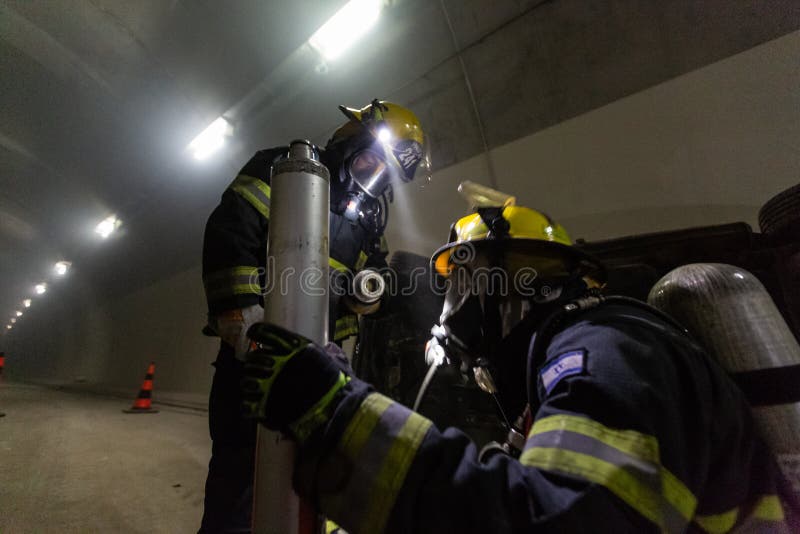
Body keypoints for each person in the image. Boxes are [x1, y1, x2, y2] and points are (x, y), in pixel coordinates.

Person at [240, 203, 799, 533]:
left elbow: (544, 520)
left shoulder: (605, 357)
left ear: (502, 284)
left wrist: (337, 416)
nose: (448, 312)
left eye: (457, 285)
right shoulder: (584, 357)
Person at [199, 99, 430, 532]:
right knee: (239, 489)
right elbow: (231, 232)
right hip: (255, 359)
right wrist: (240, 313)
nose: (374, 176)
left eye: (385, 173)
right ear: (349, 143)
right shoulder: (281, 170)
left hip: (319, 366)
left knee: (305, 486)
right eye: (371, 161)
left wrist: (367, 294)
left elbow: (368, 275)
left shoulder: (365, 220)